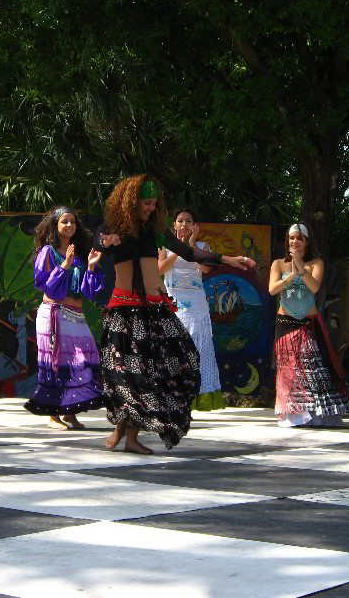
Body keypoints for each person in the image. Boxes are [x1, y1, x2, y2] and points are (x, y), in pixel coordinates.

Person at [95, 174, 255, 453]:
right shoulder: (112, 228)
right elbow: (94, 246)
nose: (151, 208)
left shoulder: (155, 232)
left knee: (153, 370)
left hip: (152, 311)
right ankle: (121, 427)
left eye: (154, 204)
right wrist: (105, 244)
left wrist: (228, 259)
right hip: (122, 310)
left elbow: (190, 253)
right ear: (131, 202)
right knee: (123, 373)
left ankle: (131, 437)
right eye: (146, 203)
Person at [24, 206, 105, 429]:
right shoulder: (48, 252)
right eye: (64, 221)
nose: (69, 225)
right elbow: (46, 285)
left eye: (72, 222)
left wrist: (90, 267)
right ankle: (53, 415)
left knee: (83, 362)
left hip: (77, 315)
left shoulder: (79, 255)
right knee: (56, 363)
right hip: (54, 314)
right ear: (55, 225)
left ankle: (70, 412)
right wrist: (64, 265)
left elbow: (89, 292)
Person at [269, 223, 349, 427]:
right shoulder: (278, 264)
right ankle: (293, 414)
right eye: (291, 237)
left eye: (299, 238)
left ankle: (316, 414)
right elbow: (272, 290)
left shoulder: (316, 263)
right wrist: (293, 275)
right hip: (285, 323)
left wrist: (300, 267)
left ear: (306, 242)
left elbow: (314, 287)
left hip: (307, 323)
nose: (294, 241)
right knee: (289, 370)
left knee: (310, 369)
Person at [158, 209, 223, 411]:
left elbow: (205, 269)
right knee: (173, 346)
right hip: (173, 301)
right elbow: (160, 269)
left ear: (194, 225)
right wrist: (179, 249)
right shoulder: (164, 246)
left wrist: (192, 245)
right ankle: (173, 395)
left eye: (188, 221)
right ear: (174, 225)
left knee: (198, 346)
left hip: (196, 303)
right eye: (180, 221)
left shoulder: (202, 246)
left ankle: (197, 395)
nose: (184, 224)